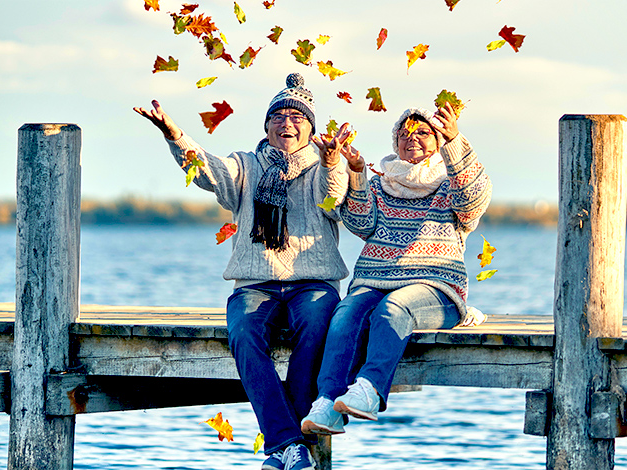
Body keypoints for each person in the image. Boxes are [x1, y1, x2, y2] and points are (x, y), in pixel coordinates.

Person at [134, 73, 352, 470]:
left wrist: (334, 160)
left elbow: (335, 198)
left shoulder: (325, 166)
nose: (287, 123)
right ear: (266, 126)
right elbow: (205, 169)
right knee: (243, 333)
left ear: (310, 129)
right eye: (279, 116)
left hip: (314, 284)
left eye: (297, 117)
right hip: (256, 283)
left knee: (319, 328)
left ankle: (282, 448)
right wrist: (173, 133)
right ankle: (290, 444)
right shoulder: (246, 166)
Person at [300, 102, 492, 435]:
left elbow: (473, 200)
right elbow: (360, 223)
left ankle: (371, 390)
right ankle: (328, 403)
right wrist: (357, 172)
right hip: (375, 279)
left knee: (394, 307)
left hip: (436, 287)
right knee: (345, 314)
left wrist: (455, 141)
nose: (411, 137)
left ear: (437, 140)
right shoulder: (380, 183)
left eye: (422, 131)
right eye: (403, 133)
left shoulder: (452, 183)